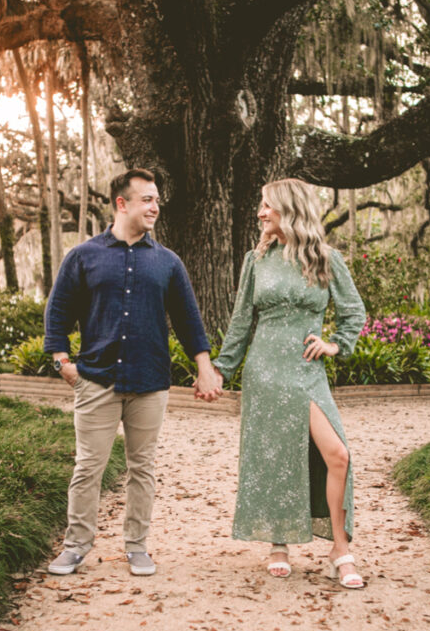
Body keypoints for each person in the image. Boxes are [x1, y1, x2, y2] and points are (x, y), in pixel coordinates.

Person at [45, 168, 221, 577]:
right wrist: (63, 364)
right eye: (147, 199)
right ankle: (75, 546)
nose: (155, 207)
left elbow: (189, 320)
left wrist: (205, 368)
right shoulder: (83, 256)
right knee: (88, 468)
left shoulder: (167, 262)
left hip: (149, 383)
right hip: (96, 381)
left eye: (157, 200)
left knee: (143, 468)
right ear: (121, 204)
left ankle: (137, 546)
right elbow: (57, 314)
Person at [211, 178, 367, 588]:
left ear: (290, 208)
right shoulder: (257, 260)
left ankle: (339, 549)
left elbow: (354, 311)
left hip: (305, 371)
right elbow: (241, 321)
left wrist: (335, 344)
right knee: (275, 455)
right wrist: (221, 369)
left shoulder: (327, 259)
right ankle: (278, 543)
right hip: (264, 371)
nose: (260, 213)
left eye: (267, 205)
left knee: (337, 455)